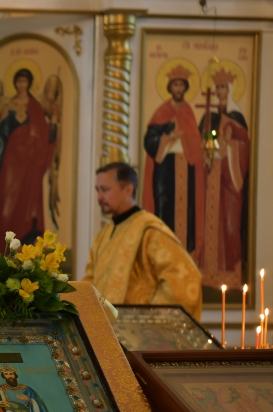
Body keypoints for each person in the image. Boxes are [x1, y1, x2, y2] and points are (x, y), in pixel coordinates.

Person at [83, 162, 202, 319]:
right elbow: (88, 286)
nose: (99, 197)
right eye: (97, 190)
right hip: (103, 335)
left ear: (128, 189)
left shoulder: (150, 231)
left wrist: (148, 322)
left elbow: (185, 281)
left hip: (137, 338)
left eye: (105, 190)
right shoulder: (101, 237)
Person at [0, 68, 59, 250]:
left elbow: (45, 135)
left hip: (31, 164)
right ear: (15, 83)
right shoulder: (8, 106)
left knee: (28, 204)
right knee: (8, 207)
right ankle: (5, 248)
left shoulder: (35, 106)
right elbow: (1, 135)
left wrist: (54, 122)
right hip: (11, 162)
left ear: (29, 83)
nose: (21, 85)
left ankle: (26, 246)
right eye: (19, 81)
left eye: (24, 81)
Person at [142, 64, 206, 263]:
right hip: (166, 167)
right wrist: (168, 137)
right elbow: (149, 140)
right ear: (170, 88)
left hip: (186, 167)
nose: (178, 89)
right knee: (164, 206)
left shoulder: (188, 112)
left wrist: (189, 140)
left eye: (181, 85)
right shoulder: (162, 112)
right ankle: (163, 255)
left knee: (187, 211)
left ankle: (185, 255)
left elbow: (194, 141)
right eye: (175, 85)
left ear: (185, 88)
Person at [197, 67, 250, 289]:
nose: (218, 91)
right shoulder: (209, 115)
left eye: (222, 87)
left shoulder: (236, 117)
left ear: (229, 89)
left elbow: (242, 146)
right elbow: (203, 142)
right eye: (216, 87)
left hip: (229, 181)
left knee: (229, 224)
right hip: (211, 179)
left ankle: (230, 273)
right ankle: (207, 271)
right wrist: (208, 154)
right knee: (209, 222)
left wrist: (227, 149)